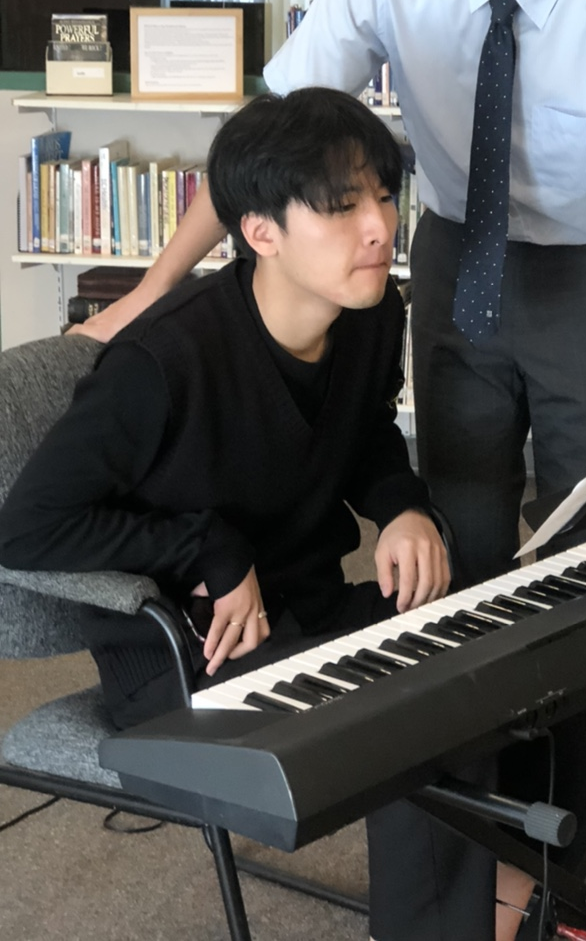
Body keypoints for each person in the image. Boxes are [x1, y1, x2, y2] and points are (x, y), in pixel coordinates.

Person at [73, 0, 586, 939]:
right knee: (456, 548)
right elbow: (266, 140)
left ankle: (571, 856)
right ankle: (477, 844)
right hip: (458, 258)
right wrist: (155, 290)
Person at [0, 88, 520, 941]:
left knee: (492, 630)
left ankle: (498, 892)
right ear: (260, 231)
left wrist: (402, 507)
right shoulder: (160, 363)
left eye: (383, 195)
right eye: (341, 206)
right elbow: (24, 528)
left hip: (306, 607)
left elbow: (364, 433)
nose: (379, 227)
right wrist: (207, 547)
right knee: (412, 710)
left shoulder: (370, 314)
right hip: (185, 659)